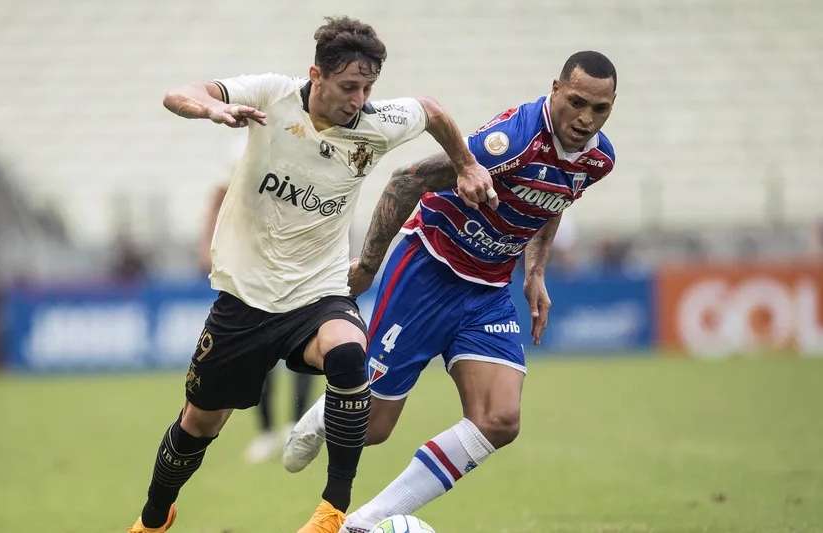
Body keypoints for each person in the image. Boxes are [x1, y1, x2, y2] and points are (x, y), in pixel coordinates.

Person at [127, 16, 494, 533]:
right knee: (198, 425)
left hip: (318, 290)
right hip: (246, 298)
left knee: (349, 354)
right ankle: (152, 517)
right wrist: (212, 107)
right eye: (349, 86)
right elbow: (178, 93)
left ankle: (330, 511)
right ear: (315, 75)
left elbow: (431, 111)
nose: (359, 99)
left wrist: (466, 164)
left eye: (368, 87)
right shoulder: (272, 96)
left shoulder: (374, 121)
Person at [283, 51, 618, 532]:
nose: (586, 119)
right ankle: (329, 408)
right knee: (373, 428)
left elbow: (554, 198)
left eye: (600, 109)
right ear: (555, 89)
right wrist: (371, 265)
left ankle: (360, 524)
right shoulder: (512, 141)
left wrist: (535, 272)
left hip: (487, 290)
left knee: (500, 420)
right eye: (577, 102)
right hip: (428, 269)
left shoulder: (598, 159)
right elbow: (406, 180)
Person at [201, 182, 316, 464]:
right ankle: (266, 432)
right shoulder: (245, 160)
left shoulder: (298, 160)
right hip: (256, 276)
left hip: (297, 271)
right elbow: (218, 198)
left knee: (303, 352)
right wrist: (209, 245)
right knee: (258, 357)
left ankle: (296, 425)